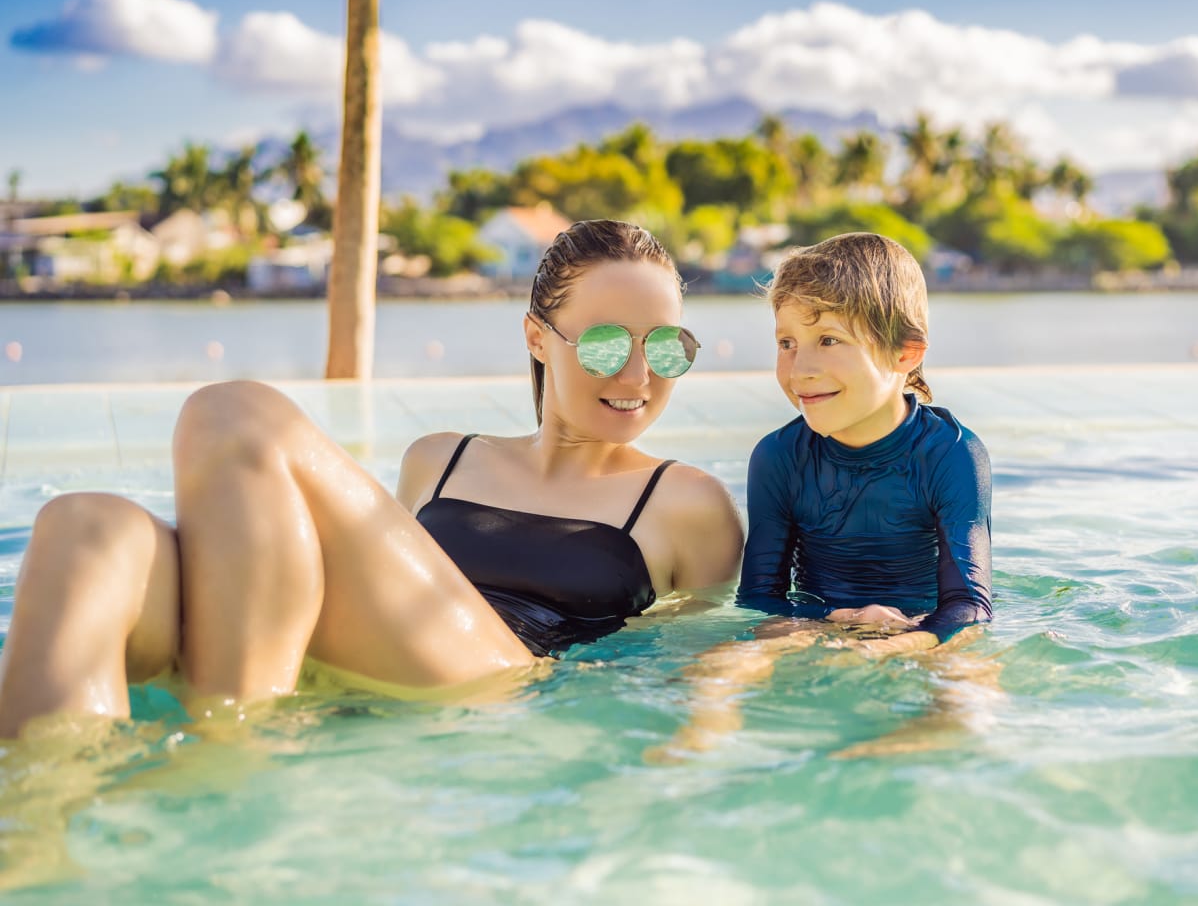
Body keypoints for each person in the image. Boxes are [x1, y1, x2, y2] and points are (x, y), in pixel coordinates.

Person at [0, 220, 744, 738]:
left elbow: (695, 663)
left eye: (669, 348)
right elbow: (321, 571)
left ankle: (230, 753)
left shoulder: (686, 502)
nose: (641, 376)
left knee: (232, 411)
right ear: (536, 338)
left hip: (503, 682)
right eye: (611, 344)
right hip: (361, 657)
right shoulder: (438, 458)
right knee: (86, 527)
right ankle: (35, 830)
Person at [649, 232, 992, 761]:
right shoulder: (779, 457)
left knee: (972, 704)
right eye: (786, 343)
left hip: (924, 629)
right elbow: (760, 594)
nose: (799, 368)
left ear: (906, 353)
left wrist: (900, 642)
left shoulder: (951, 454)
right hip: (812, 625)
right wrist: (812, 630)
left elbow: (969, 606)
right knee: (714, 671)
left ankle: (861, 768)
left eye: (828, 340)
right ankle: (688, 760)